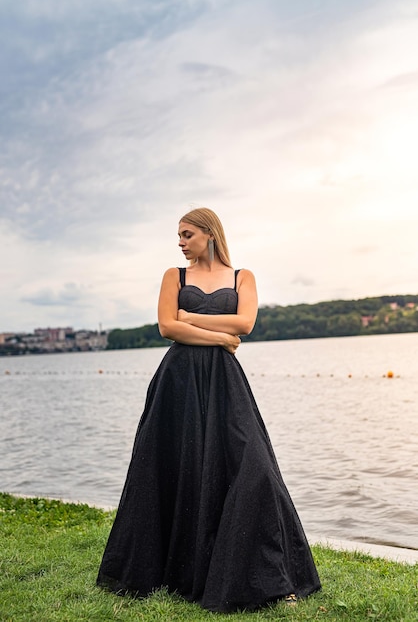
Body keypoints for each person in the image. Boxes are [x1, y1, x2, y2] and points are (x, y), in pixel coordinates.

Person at [96, 207, 321, 612]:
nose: (180, 243)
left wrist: (191, 319)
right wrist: (219, 338)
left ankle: (271, 574)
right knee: (177, 469)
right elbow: (167, 327)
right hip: (178, 381)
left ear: (209, 233)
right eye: (178, 236)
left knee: (255, 469)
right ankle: (179, 571)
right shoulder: (174, 276)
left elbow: (246, 324)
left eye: (186, 234)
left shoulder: (242, 277)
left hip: (224, 384)